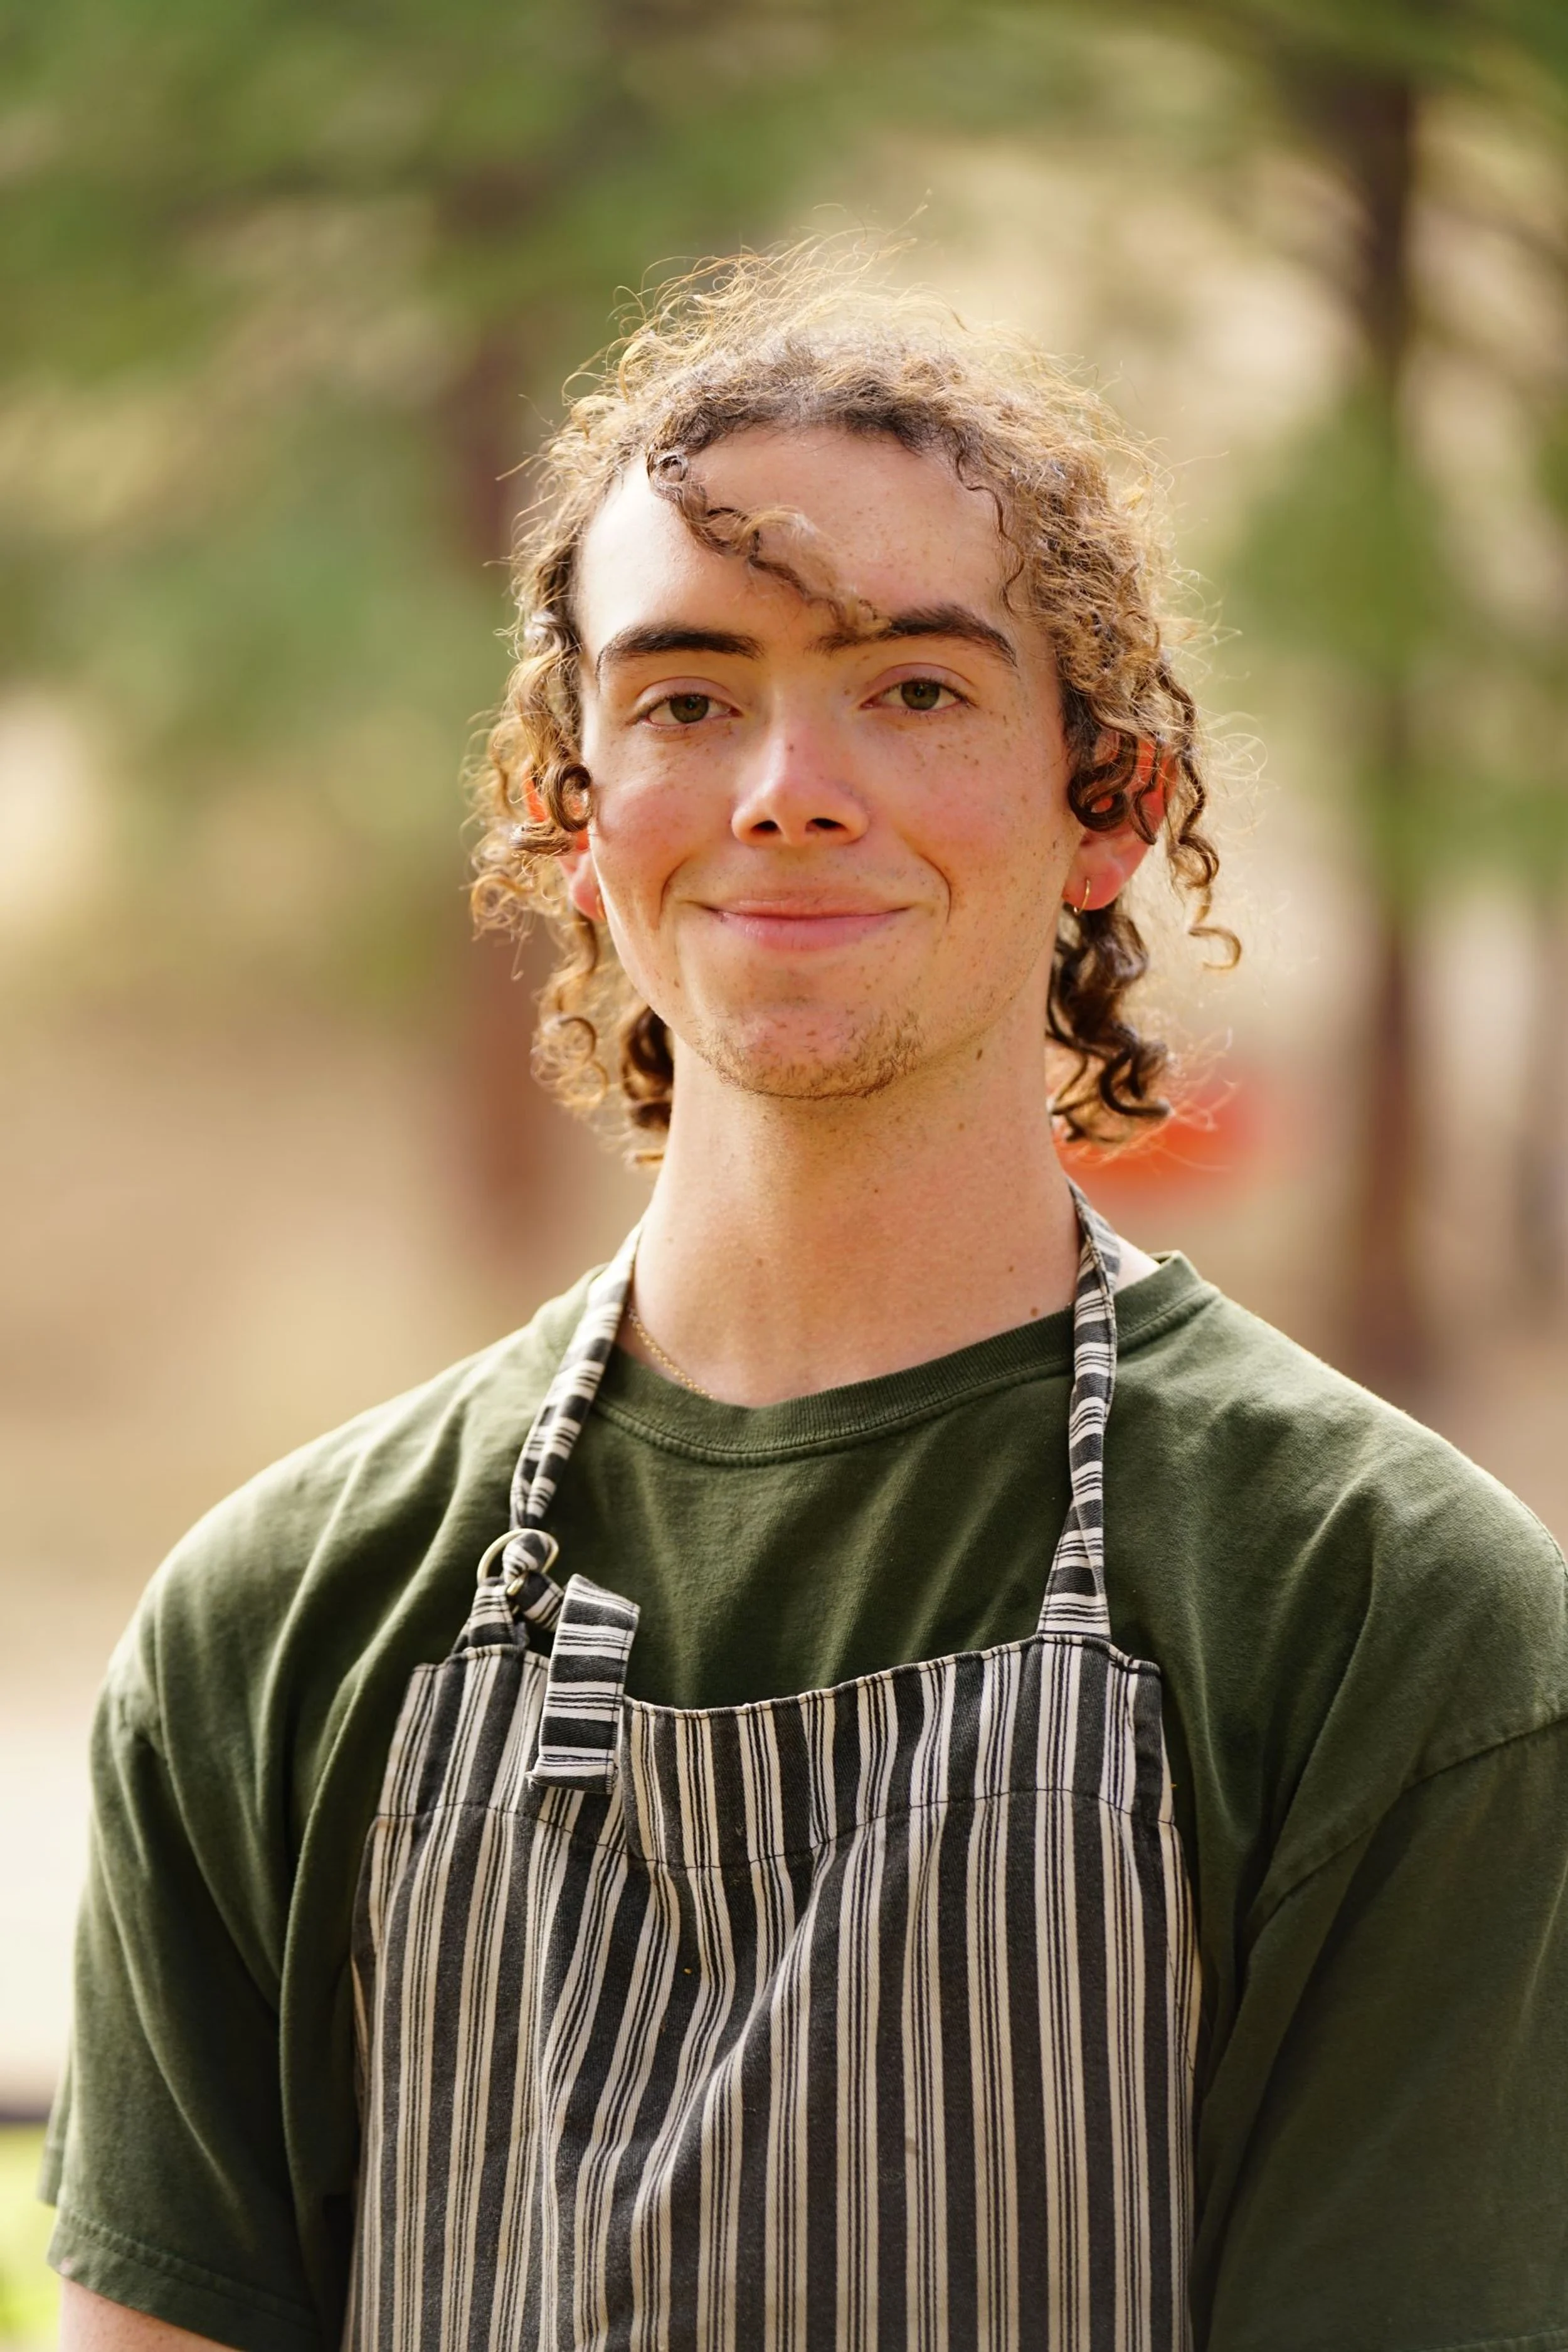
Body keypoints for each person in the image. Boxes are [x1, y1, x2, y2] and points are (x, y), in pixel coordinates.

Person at [44, 248, 1568, 2352]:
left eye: (914, 688)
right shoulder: (275, 1624)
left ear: (1107, 806)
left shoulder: (1382, 1616)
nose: (786, 785)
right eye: (686, 698)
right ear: (573, 819)